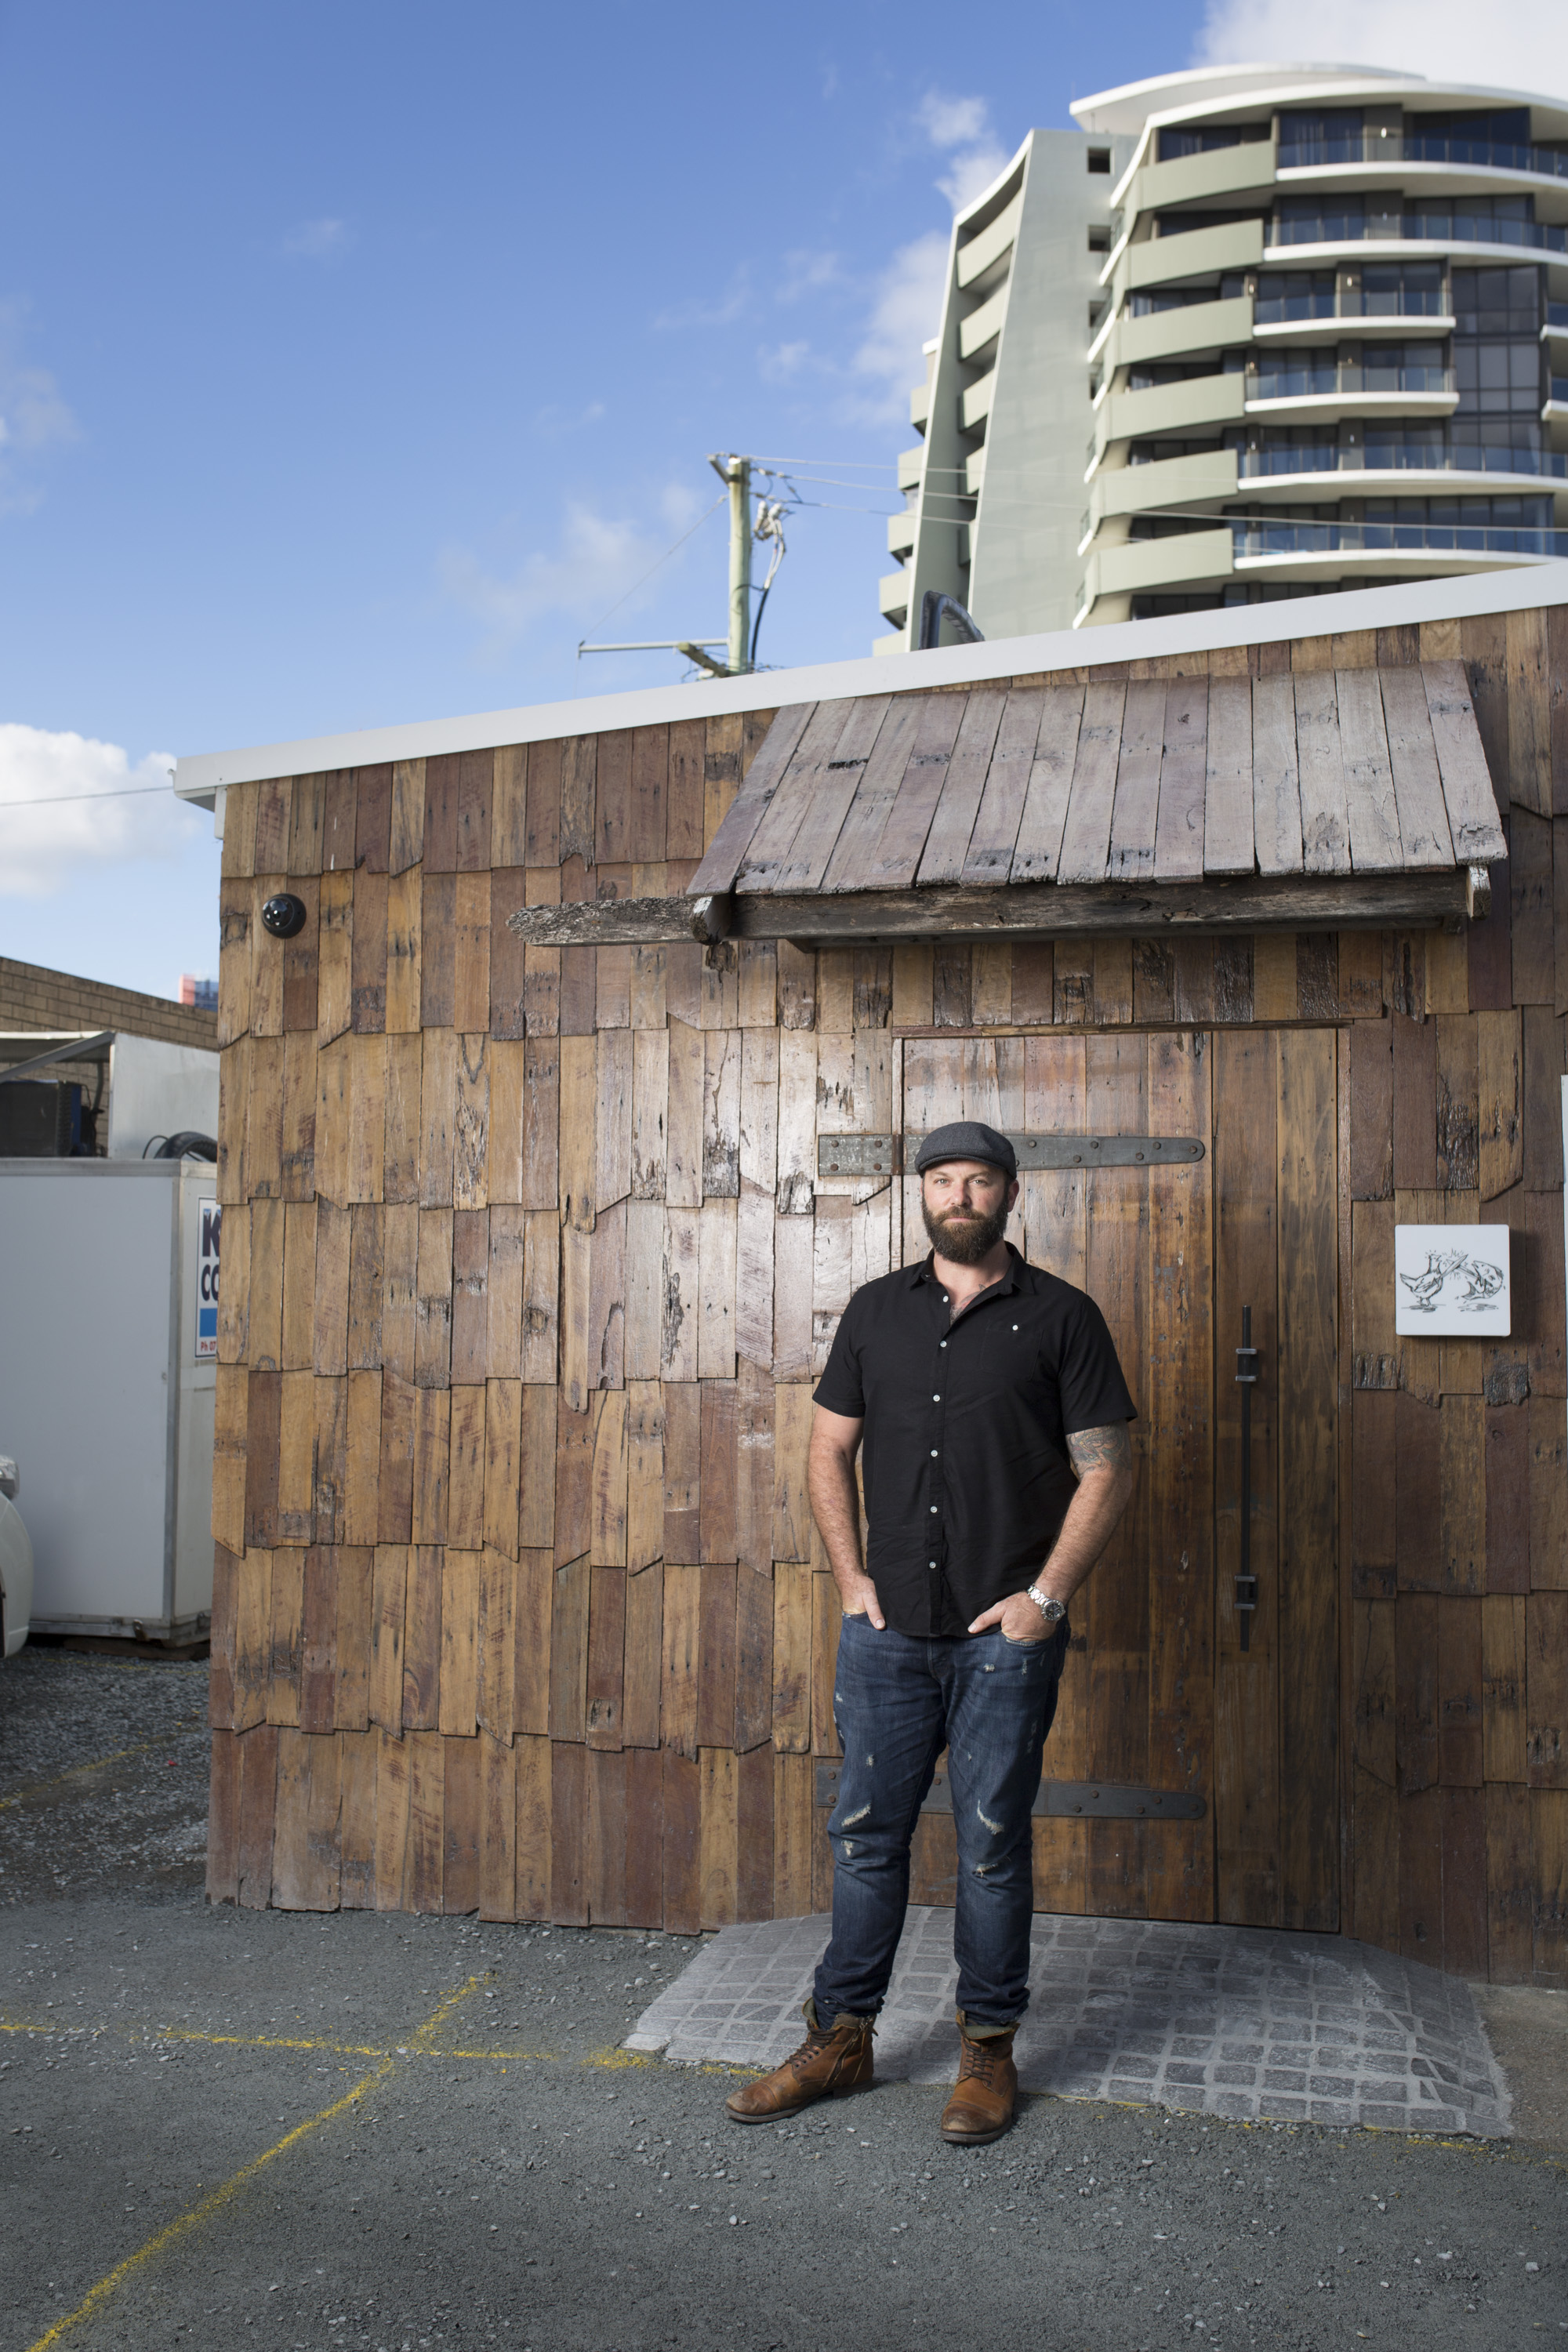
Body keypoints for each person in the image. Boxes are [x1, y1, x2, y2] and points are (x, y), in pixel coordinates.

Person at [726, 1120, 1135, 2144]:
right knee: (867, 1838)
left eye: (980, 1180)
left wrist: (1045, 1598)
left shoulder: (1064, 1318)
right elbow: (828, 1453)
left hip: (1005, 1637)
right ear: (922, 1195)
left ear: (1008, 1195)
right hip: (887, 1633)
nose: (961, 1195)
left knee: (993, 1845)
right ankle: (842, 2039)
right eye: (944, 1180)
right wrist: (851, 1575)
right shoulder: (873, 1314)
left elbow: (1108, 1468)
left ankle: (988, 2054)